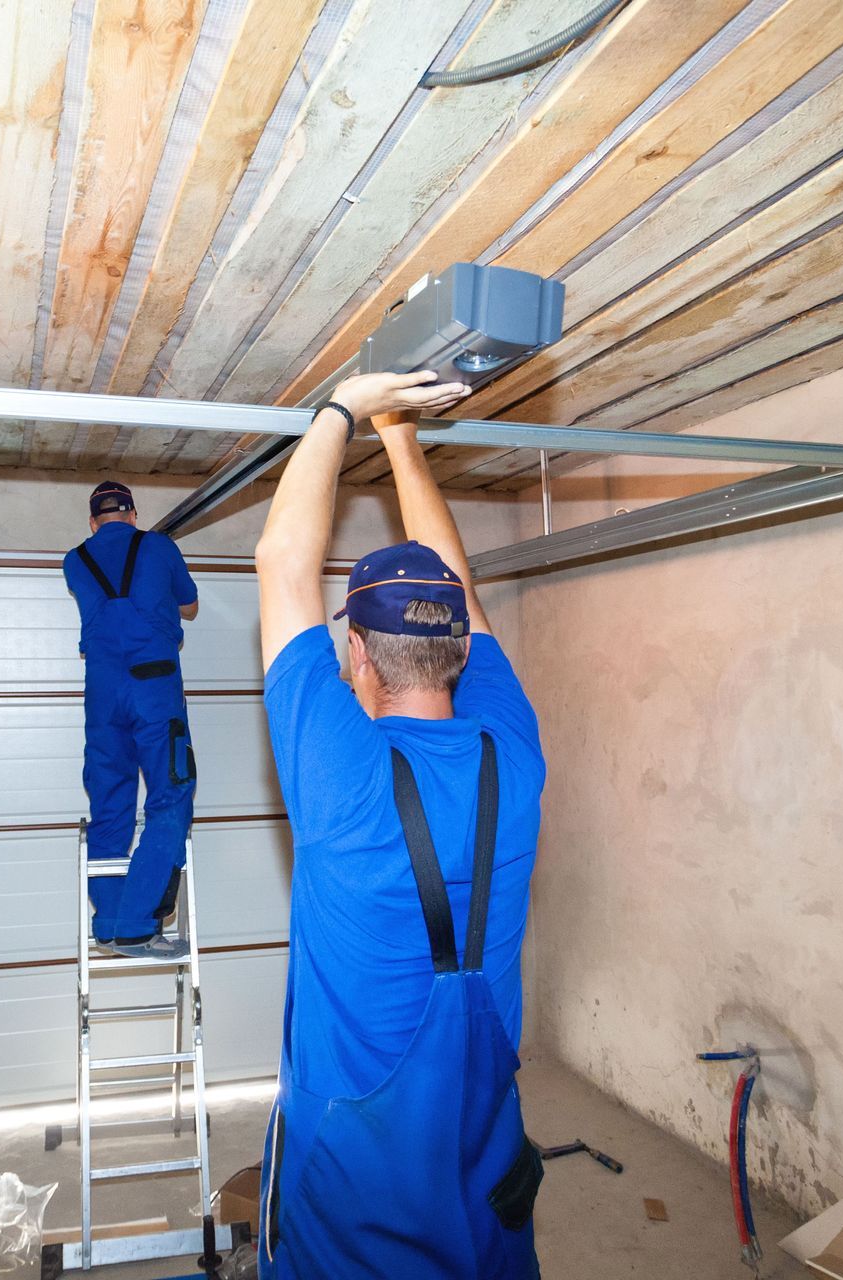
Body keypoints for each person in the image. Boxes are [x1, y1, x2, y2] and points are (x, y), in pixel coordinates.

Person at [253, 373, 547, 1278]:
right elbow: (449, 585)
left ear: (355, 655)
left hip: (351, 1194)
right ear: (462, 647)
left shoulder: (339, 777)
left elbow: (279, 563)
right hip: (483, 1155)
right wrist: (400, 440)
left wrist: (343, 404)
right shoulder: (516, 753)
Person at [63, 480, 201, 958]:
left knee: (110, 804)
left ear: (93, 521)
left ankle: (109, 922)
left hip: (103, 696)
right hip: (153, 691)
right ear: (134, 514)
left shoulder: (74, 561)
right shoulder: (160, 546)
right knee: (170, 796)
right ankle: (139, 924)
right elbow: (191, 605)